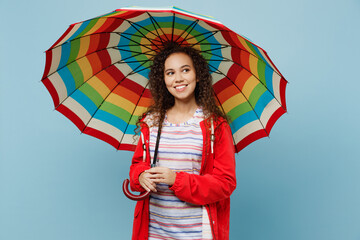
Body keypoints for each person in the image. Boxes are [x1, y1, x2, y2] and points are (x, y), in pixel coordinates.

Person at [129, 43, 236, 240]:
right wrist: (140, 176)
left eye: (185, 70)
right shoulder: (151, 122)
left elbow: (225, 184)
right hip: (154, 232)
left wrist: (176, 180)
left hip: (196, 233)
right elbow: (137, 166)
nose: (178, 78)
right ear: (162, 80)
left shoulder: (215, 126)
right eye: (170, 73)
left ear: (198, 74)